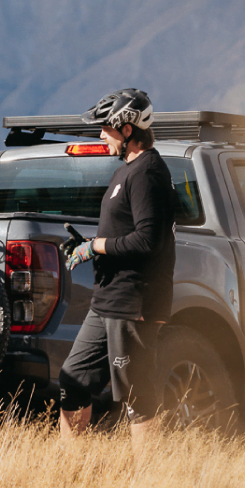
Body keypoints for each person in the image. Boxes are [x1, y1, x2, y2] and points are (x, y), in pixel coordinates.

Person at [58, 88, 177, 446]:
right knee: (72, 380)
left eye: (105, 129)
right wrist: (90, 246)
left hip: (134, 303)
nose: (100, 135)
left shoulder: (148, 173)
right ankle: (67, 474)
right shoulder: (127, 171)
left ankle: (149, 480)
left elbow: (147, 241)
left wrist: (96, 246)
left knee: (136, 392)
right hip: (107, 300)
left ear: (127, 130)